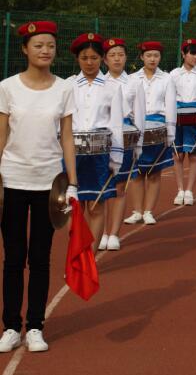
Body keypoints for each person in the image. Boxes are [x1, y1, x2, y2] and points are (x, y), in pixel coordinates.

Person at [0, 21, 78, 353]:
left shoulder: (64, 88)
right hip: (12, 180)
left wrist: (73, 183)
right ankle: (10, 326)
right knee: (13, 257)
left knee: (40, 257)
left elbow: (67, 137)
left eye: (50, 46)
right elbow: (1, 134)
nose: (45, 51)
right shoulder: (7, 87)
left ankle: (35, 326)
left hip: (49, 183)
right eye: (38, 45)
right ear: (25, 49)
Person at [68, 33, 125, 251]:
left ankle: (89, 259)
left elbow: (116, 124)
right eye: (84, 58)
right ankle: (75, 256)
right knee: (73, 208)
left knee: (96, 206)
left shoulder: (112, 87)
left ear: (102, 58)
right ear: (77, 59)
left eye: (94, 57)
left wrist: (116, 158)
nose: (89, 62)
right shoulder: (68, 85)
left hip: (99, 155)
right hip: (72, 154)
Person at [101, 37, 146, 251]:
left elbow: (140, 114)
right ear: (105, 60)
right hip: (104, 137)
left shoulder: (135, 83)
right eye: (112, 55)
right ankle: (101, 232)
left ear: (126, 57)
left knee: (120, 186)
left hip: (126, 137)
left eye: (120, 54)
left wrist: (139, 143)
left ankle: (114, 233)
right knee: (103, 187)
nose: (117, 59)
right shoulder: (99, 82)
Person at [126, 42, 176, 225]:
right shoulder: (132, 78)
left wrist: (171, 131)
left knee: (154, 172)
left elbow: (170, 104)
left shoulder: (167, 78)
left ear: (160, 57)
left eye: (156, 55)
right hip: (137, 127)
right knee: (137, 172)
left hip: (158, 128)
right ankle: (137, 211)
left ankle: (148, 211)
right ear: (142, 57)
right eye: (148, 55)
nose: (152, 59)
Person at [169, 38, 196, 206]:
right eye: (192, 54)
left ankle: (189, 191)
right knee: (177, 155)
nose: (195, 57)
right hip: (177, 116)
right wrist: (169, 120)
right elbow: (170, 98)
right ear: (183, 54)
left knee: (193, 155)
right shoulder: (173, 74)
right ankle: (180, 190)